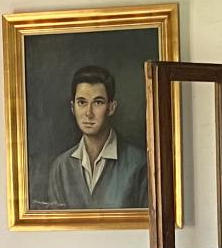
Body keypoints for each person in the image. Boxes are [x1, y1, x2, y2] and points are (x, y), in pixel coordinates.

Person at [43, 64, 148, 209]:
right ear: (73, 108)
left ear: (111, 108)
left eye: (98, 102)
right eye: (82, 102)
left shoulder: (139, 163)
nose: (89, 113)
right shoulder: (61, 167)